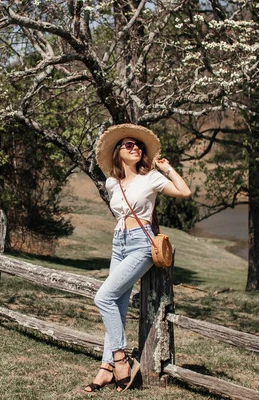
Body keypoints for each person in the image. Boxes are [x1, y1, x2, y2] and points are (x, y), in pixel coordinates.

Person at [84, 124, 192, 393]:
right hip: (118, 243)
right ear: (118, 153)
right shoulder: (112, 182)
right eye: (128, 145)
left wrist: (167, 168)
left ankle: (121, 359)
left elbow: (184, 192)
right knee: (117, 305)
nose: (135, 148)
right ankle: (105, 368)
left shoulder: (151, 178)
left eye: (138, 145)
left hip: (141, 245)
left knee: (103, 297)